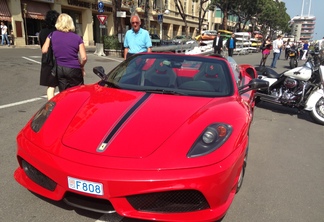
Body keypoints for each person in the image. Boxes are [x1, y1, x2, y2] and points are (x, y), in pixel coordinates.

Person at [42, 13, 87, 92]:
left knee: (64, 93)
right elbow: (84, 57)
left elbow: (44, 50)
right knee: (77, 92)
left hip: (60, 68)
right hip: (74, 68)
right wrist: (82, 66)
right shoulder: (77, 37)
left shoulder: (52, 35)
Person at [38, 10, 60, 100]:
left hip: (46, 60)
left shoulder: (42, 32)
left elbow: (42, 47)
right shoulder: (57, 32)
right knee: (63, 84)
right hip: (57, 60)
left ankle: (50, 105)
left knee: (51, 86)